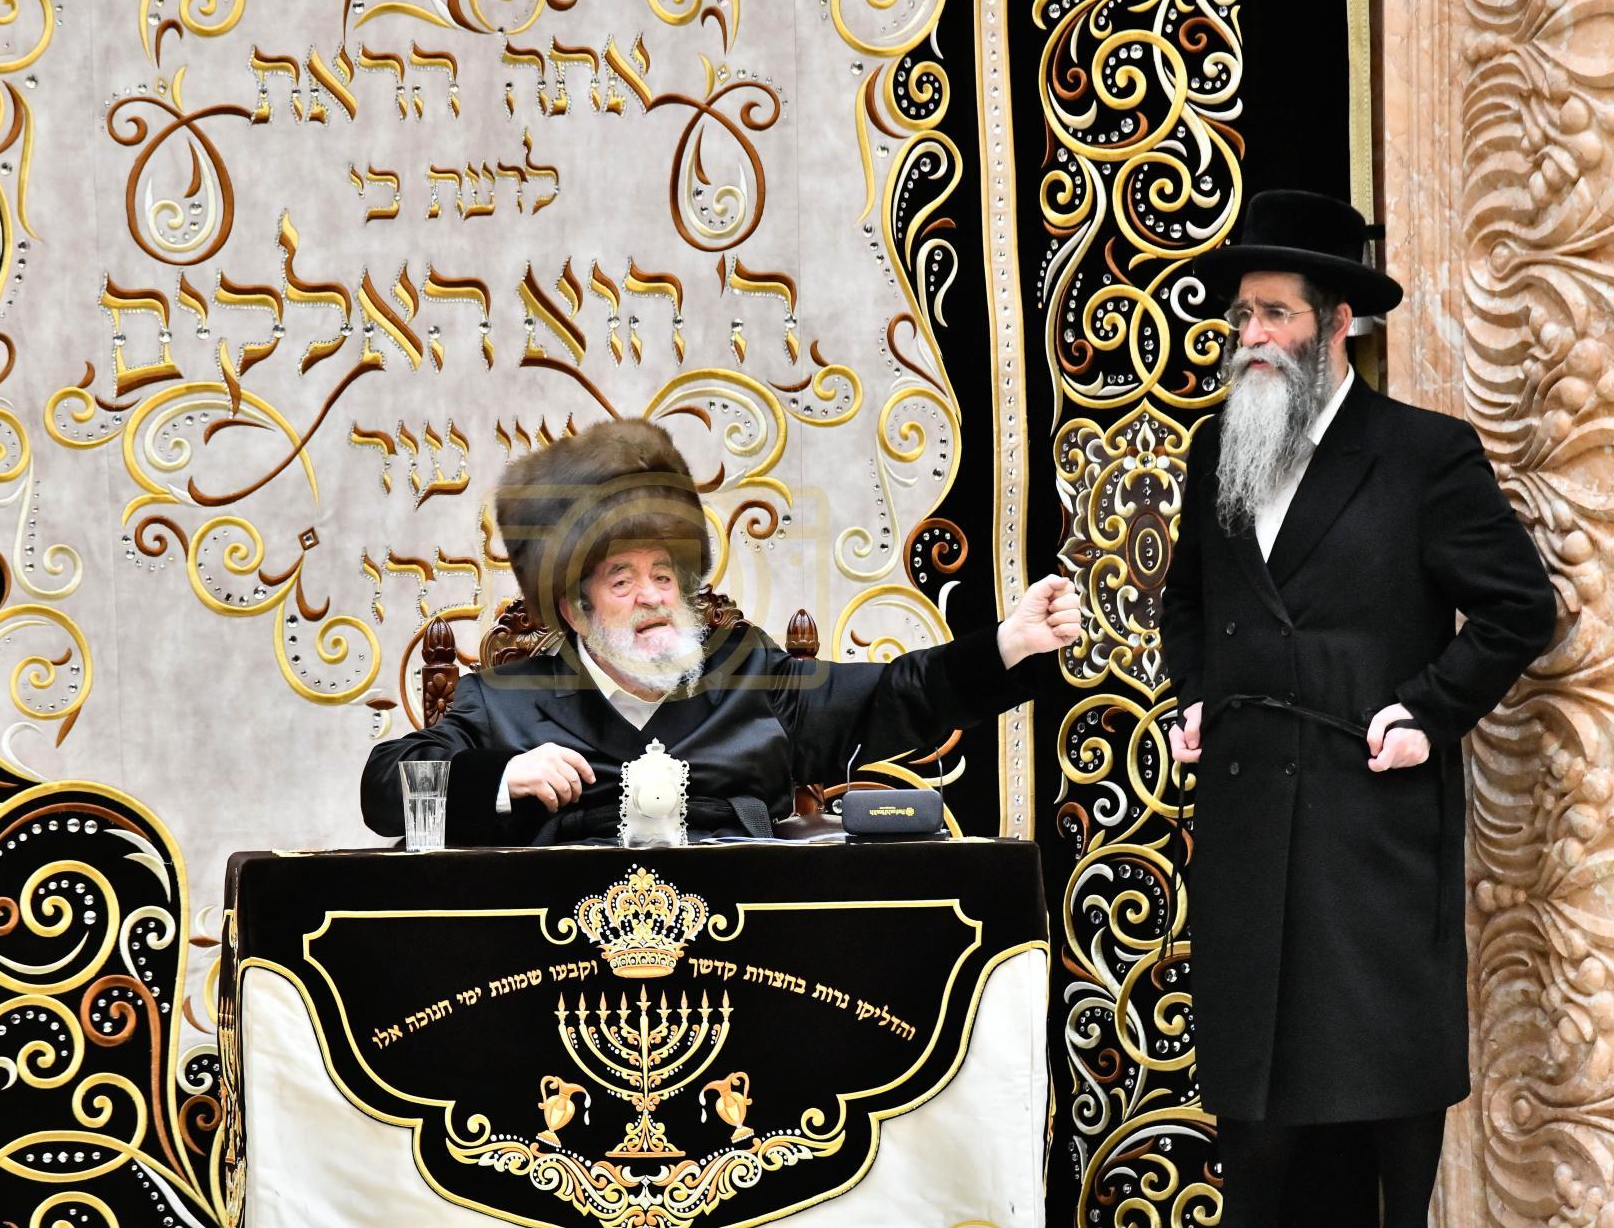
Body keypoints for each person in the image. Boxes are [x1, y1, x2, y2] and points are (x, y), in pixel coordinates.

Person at [1159, 190, 1554, 1225]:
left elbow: (1520, 605)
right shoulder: (1218, 447)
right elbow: (1188, 601)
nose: (1252, 335)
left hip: (1367, 828)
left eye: (1276, 314)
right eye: (1243, 315)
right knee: (1256, 1126)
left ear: (1339, 323)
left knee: (1382, 1110)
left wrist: (1428, 711)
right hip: (1249, 823)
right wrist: (1194, 696)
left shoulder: (1424, 453)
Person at [362, 418, 1081, 845]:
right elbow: (384, 789)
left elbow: (894, 695)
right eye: (622, 581)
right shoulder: (504, 700)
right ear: (577, 610)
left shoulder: (749, 673)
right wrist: (500, 776)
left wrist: (1009, 644)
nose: (652, 597)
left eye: (664, 575)